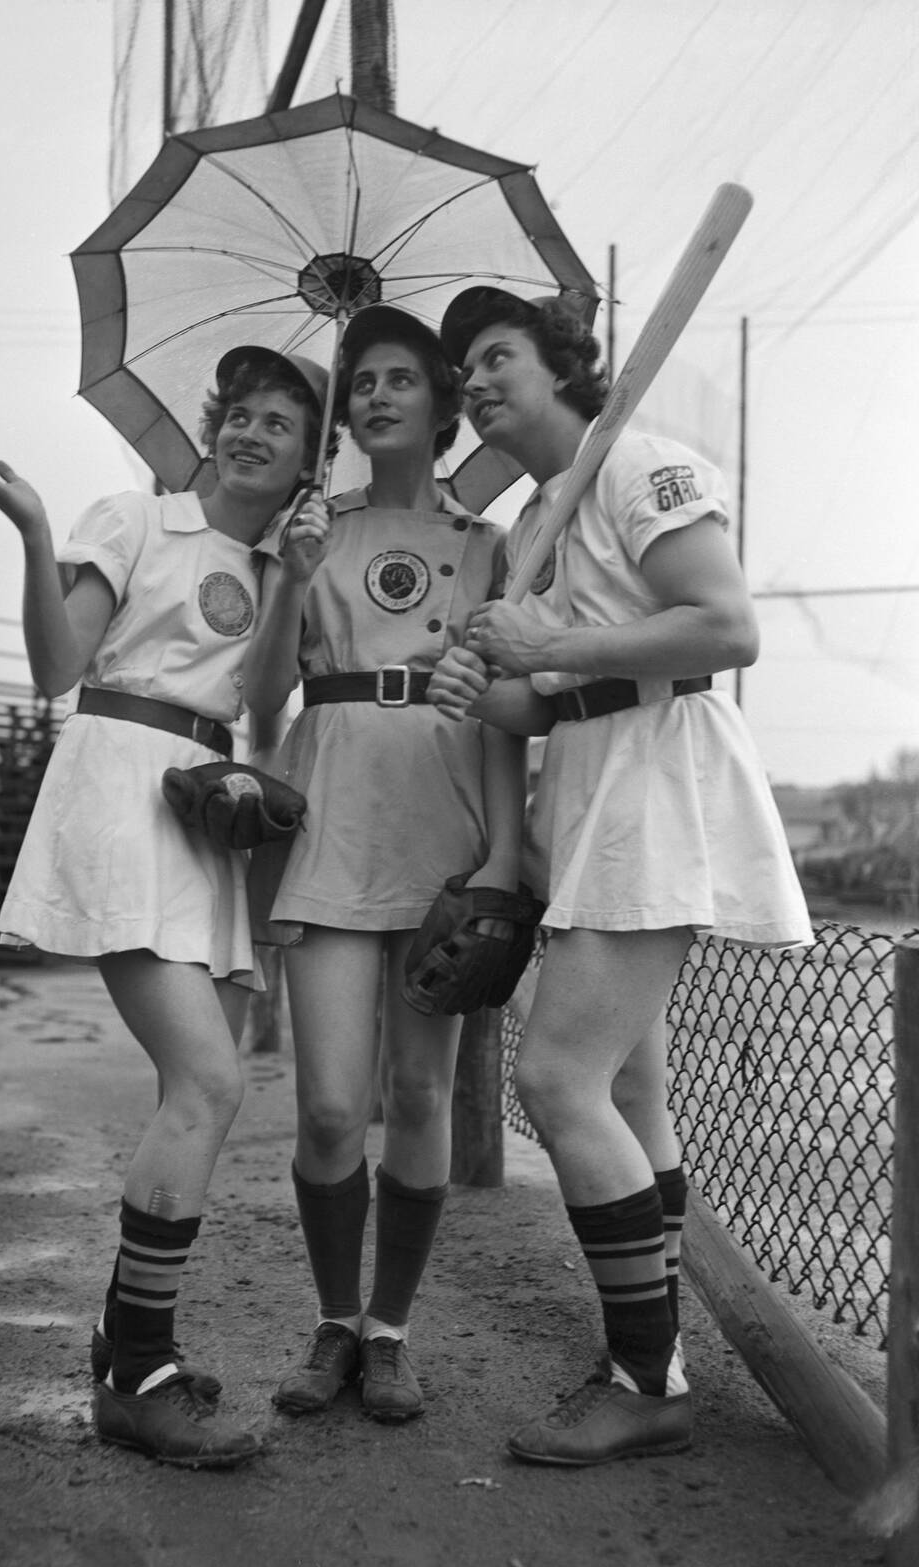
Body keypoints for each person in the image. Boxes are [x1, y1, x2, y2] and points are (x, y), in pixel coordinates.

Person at [427, 287, 812, 1466]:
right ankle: (655, 1357)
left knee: (556, 1075)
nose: (477, 383)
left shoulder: (638, 463)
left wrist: (555, 648)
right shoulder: (539, 513)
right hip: (591, 785)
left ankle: (648, 1379)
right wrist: (484, 687)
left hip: (661, 779)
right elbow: (544, 695)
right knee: (634, 1097)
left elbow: (727, 627)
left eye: (497, 356)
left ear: (561, 364)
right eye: (466, 372)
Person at [0, 342, 328, 1470]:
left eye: (284, 424)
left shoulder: (276, 567)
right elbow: (55, 666)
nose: (254, 432)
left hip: (204, 814)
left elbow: (265, 707)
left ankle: (130, 1341)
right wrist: (32, 532)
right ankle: (135, 1374)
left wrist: (299, 580)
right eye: (244, 412)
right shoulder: (132, 518)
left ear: (309, 463)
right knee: (209, 1082)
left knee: (201, 1085)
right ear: (215, 424)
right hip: (121, 791)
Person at [241, 304, 529, 1422]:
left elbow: (503, 713)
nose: (375, 394)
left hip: (439, 831)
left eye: (401, 376)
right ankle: (331, 1324)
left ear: (442, 401)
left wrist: (503, 855)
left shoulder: (491, 543)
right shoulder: (312, 529)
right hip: (328, 819)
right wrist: (290, 575)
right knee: (325, 1108)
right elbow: (264, 699)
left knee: (419, 1092)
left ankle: (392, 1330)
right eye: (360, 379)